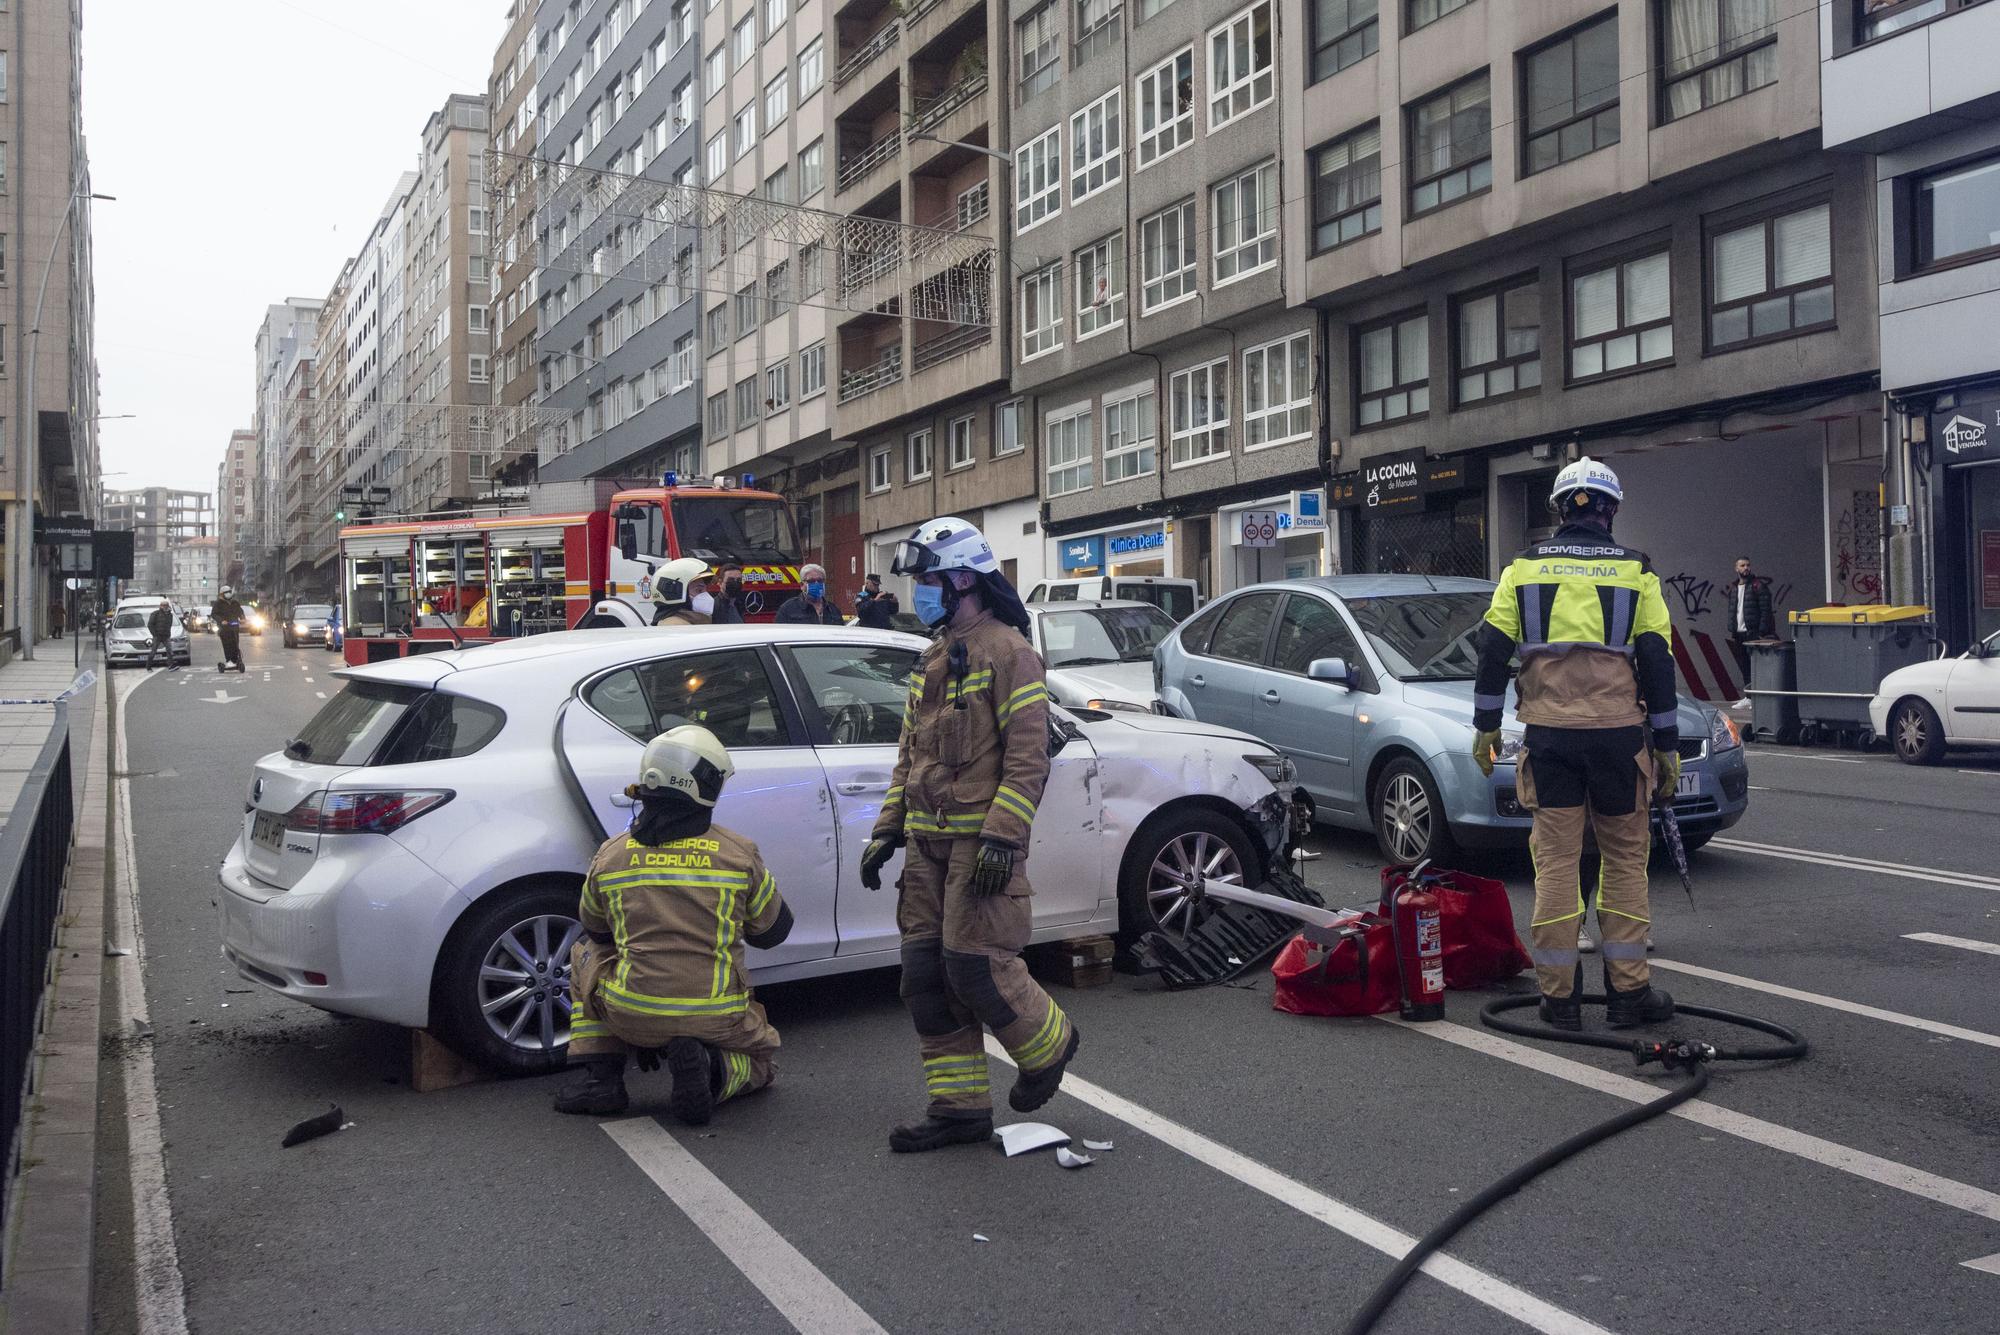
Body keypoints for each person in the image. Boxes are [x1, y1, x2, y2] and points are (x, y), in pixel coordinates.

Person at [859, 516, 1079, 1153]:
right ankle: (959, 1111)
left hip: (979, 847)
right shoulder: (931, 657)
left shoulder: (1010, 653)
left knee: (973, 967)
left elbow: (1028, 759)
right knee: (924, 977)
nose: (919, 592)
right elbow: (911, 756)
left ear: (963, 579)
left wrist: (1002, 839)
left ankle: (1050, 1042)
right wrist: (886, 831)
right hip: (927, 846)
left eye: (928, 579)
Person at [1471, 457, 1679, 1032]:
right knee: (1624, 863)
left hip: (1550, 737)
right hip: (1617, 739)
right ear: (1611, 510)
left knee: (1557, 864)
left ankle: (1559, 999)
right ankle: (1629, 996)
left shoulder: (1522, 570)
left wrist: (1486, 724)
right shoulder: (1637, 573)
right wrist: (1666, 745)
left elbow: (1492, 651)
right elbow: (1658, 663)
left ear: (1560, 509)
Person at [556, 725, 794, 1123]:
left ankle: (600, 1080)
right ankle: (714, 1069)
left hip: (630, 1011)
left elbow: (597, 931)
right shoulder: (738, 853)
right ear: (706, 788)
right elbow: (773, 933)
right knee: (760, 1064)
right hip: (718, 1013)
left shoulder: (611, 856)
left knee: (585, 953)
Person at [1727, 556, 1776, 681]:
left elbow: (1766, 610)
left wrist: (1761, 632)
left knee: (1756, 666)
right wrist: (1731, 627)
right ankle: (1748, 696)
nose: (1746, 568)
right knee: (1744, 666)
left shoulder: (1758, 586)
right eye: (1742, 566)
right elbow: (1733, 610)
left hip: (1753, 633)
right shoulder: (1733, 588)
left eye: (1748, 565)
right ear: (1736, 568)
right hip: (1739, 633)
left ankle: (1755, 696)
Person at [648, 557, 713, 626]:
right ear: (674, 592)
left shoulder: (693, 621)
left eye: (706, 590)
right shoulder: (674, 626)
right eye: (699, 590)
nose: (706, 595)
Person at [775, 563, 845, 625]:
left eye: (820, 580)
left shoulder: (833, 611)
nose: (816, 584)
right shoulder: (788, 610)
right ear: (802, 585)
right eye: (811, 581)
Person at [211, 586, 247, 673]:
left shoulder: (235, 603)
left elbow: (240, 611)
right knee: (227, 645)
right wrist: (221, 620)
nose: (228, 593)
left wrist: (242, 618)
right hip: (224, 628)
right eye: (226, 592)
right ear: (222, 594)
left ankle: (235, 660)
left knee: (235, 644)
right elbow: (214, 614)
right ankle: (229, 660)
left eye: (229, 591)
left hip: (234, 627)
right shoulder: (218, 604)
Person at [145, 602, 176, 670]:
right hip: (157, 636)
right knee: (153, 651)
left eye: (166, 605)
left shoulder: (170, 615)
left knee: (169, 651)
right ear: (160, 606)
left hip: (166, 636)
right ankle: (148, 666)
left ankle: (171, 665)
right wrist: (154, 634)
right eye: (163, 605)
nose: (165, 607)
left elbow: (169, 625)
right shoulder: (155, 613)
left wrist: (168, 633)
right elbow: (150, 625)